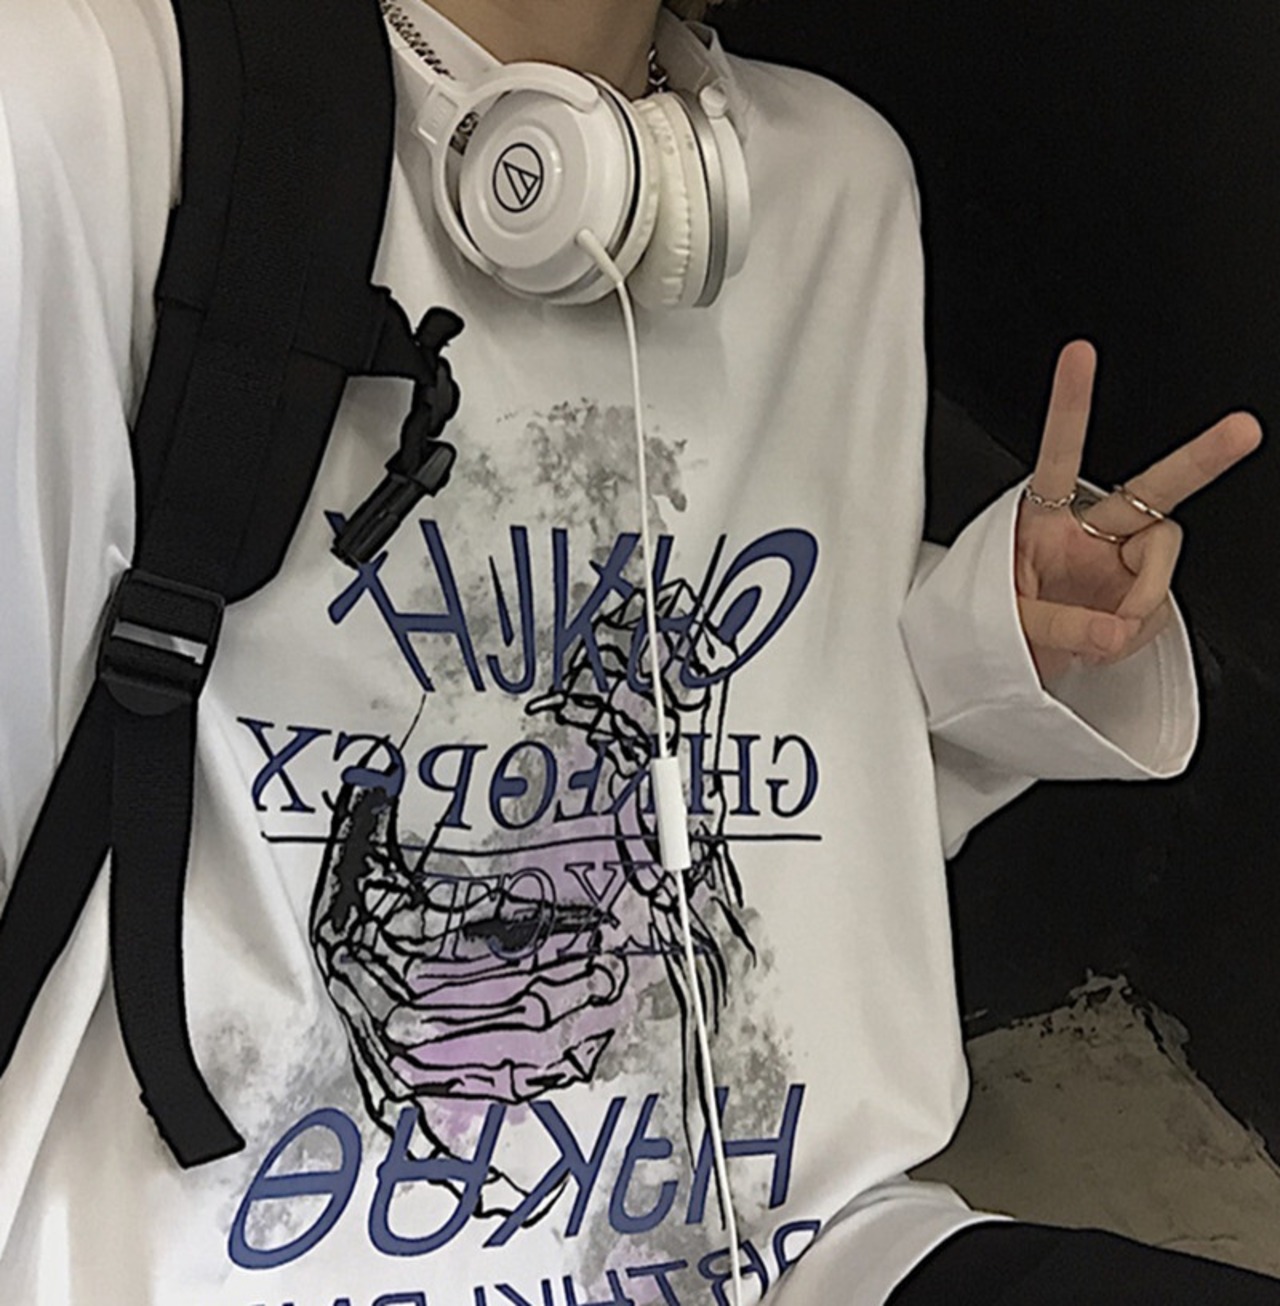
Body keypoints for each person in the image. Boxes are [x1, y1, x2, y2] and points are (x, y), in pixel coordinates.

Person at [0, 0, 1271, 1302]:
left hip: (786, 1246)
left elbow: (776, 791)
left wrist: (984, 637)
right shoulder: (83, 105)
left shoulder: (838, 192)